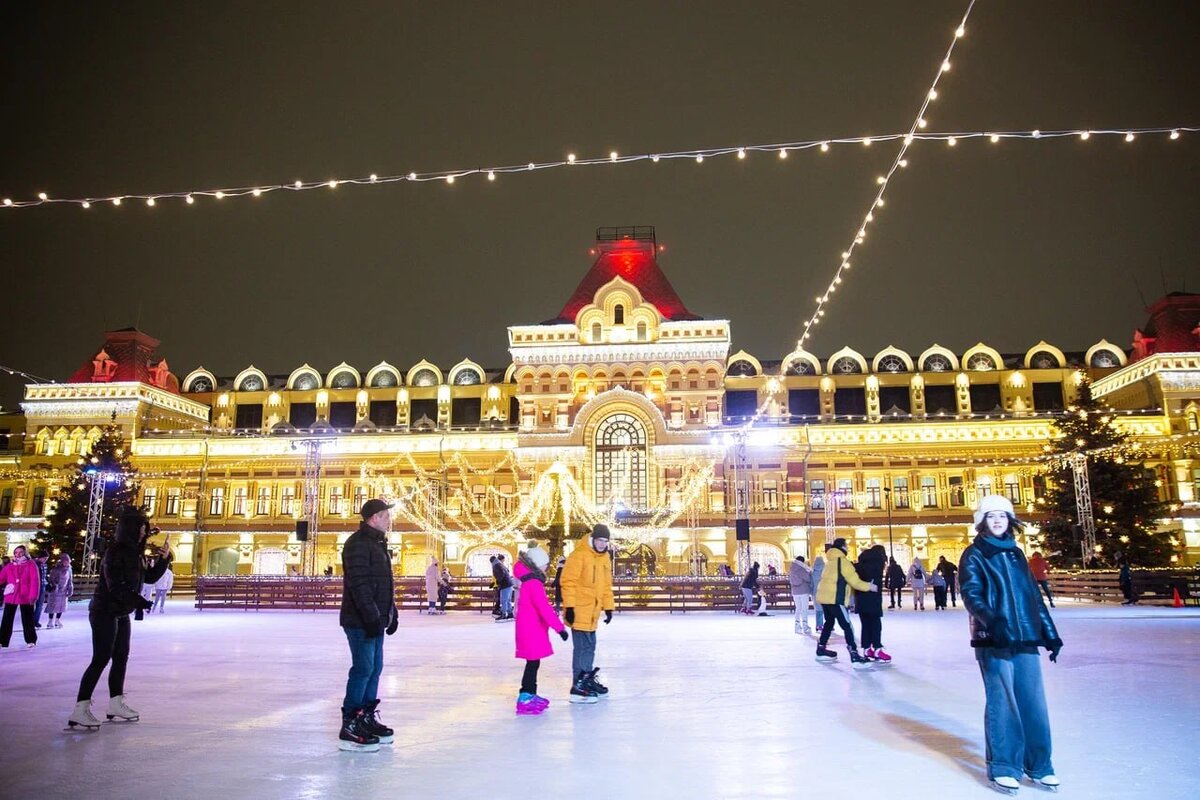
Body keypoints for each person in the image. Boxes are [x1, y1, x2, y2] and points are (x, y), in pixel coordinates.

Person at [960, 494, 1062, 795]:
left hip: (1026, 636)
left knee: (1033, 702)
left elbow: (1033, 596)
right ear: (982, 521)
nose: (997, 521)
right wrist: (993, 621)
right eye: (991, 517)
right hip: (995, 638)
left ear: (1010, 521)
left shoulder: (1017, 554)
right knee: (1002, 701)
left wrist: (1050, 633)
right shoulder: (975, 553)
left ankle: (1040, 765)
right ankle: (1004, 766)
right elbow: (971, 592)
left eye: (1002, 517)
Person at [67, 508, 172, 730]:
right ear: (132, 529)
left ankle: (115, 703)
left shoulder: (136, 553)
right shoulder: (115, 551)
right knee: (101, 658)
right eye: (142, 529)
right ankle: (80, 708)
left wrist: (164, 560)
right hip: (104, 610)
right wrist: (138, 601)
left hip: (121, 612)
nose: (144, 533)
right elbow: (115, 585)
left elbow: (149, 577)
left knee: (121, 657)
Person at [336, 498, 399, 753]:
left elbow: (384, 585)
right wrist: (372, 616)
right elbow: (359, 584)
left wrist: (390, 613)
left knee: (375, 669)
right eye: (385, 515)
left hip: (375, 619)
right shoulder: (357, 544)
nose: (389, 520)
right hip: (360, 619)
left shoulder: (376, 543)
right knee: (363, 668)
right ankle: (350, 722)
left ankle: (366, 717)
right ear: (374, 518)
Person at [560, 523, 615, 703]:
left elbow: (606, 585)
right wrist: (569, 608)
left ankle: (586, 679)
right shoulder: (579, 555)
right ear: (593, 539)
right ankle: (578, 685)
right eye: (600, 540)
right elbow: (568, 582)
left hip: (593, 612)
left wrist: (608, 607)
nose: (602, 544)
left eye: (605, 541)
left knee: (590, 647)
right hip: (579, 610)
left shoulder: (605, 557)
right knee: (582, 648)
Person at [513, 541, 568, 715]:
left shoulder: (529, 581)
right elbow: (544, 608)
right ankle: (525, 696)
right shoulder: (534, 584)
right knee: (532, 664)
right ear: (537, 565)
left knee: (533, 663)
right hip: (532, 630)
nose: (546, 569)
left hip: (530, 628)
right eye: (545, 566)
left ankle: (530, 693)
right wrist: (560, 629)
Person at [814, 538, 877, 667]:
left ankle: (821, 648)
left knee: (829, 622)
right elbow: (854, 582)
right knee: (847, 625)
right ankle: (854, 654)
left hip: (825, 598)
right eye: (846, 546)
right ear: (842, 547)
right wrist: (869, 587)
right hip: (836, 599)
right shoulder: (843, 562)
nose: (848, 548)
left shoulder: (830, 562)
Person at [0, 545, 41, 650]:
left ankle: (31, 640)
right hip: (11, 595)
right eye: (16, 552)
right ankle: (2, 640)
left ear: (25, 553)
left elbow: (35, 581)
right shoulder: (9, 566)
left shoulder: (31, 565)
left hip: (26, 595)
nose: (18, 554)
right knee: (7, 619)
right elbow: (1, 578)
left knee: (27, 618)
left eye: (21, 552)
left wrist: (33, 595)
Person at [855, 544, 890, 663]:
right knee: (876, 625)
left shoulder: (861, 563)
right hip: (873, 599)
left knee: (865, 625)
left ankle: (866, 649)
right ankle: (877, 648)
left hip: (860, 599)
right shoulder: (878, 563)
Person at [45, 553, 74, 628]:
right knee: (52, 606)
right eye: (65, 561)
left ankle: (57, 620)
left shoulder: (69, 569)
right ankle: (50, 621)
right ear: (61, 561)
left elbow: (70, 580)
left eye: (67, 561)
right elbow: (51, 579)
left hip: (64, 591)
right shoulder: (56, 569)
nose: (66, 563)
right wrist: (55, 586)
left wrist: (70, 589)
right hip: (55, 591)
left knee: (61, 606)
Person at [788, 554, 813, 635]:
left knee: (798, 608)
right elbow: (808, 579)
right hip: (803, 591)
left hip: (795, 592)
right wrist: (809, 573)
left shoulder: (791, 568)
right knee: (804, 609)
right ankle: (805, 626)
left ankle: (797, 625)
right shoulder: (802, 569)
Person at [493, 553, 514, 622]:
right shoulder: (501, 564)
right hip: (509, 583)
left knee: (504, 600)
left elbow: (501, 574)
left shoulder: (496, 565)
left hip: (505, 584)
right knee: (507, 600)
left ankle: (504, 614)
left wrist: (498, 581)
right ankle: (510, 614)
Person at [33, 553, 49, 628]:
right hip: (34, 586)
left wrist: (47, 584)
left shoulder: (44, 565)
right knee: (31, 604)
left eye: (47, 559)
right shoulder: (33, 564)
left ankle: (36, 621)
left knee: (40, 605)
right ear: (40, 557)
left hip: (42, 586)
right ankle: (30, 620)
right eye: (44, 558)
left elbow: (44, 576)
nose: (45, 560)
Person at [811, 555, 826, 632]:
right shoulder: (826, 570)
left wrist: (811, 593)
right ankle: (829, 625)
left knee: (818, 610)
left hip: (816, 593)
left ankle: (819, 625)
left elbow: (811, 584)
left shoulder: (812, 572)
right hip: (825, 592)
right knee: (827, 609)